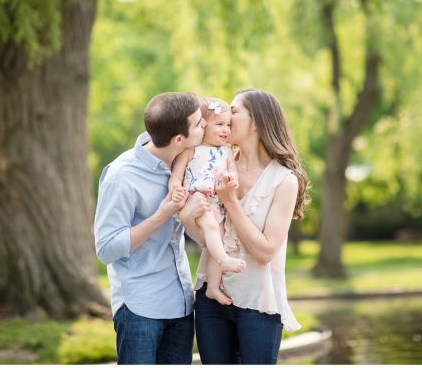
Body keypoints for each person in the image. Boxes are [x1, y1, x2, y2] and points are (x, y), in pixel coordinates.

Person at [180, 89, 311, 364]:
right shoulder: (214, 164)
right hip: (211, 299)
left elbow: (265, 252)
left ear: (255, 122)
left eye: (234, 110)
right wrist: (187, 219)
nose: (226, 116)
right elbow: (205, 240)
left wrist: (231, 202)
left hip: (258, 302)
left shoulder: (284, 180)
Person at [94, 91, 211, 365]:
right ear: (178, 139)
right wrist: (161, 215)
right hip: (139, 309)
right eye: (198, 123)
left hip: (181, 306)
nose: (205, 124)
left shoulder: (186, 162)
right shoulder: (121, 177)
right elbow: (105, 248)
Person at [168, 97, 246, 306]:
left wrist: (232, 178)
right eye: (219, 124)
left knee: (217, 242)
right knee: (212, 229)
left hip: (218, 202)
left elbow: (233, 173)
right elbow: (176, 175)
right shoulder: (191, 149)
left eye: (228, 125)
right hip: (196, 198)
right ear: (203, 125)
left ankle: (212, 287)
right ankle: (223, 260)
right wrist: (175, 189)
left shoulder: (227, 151)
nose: (226, 129)